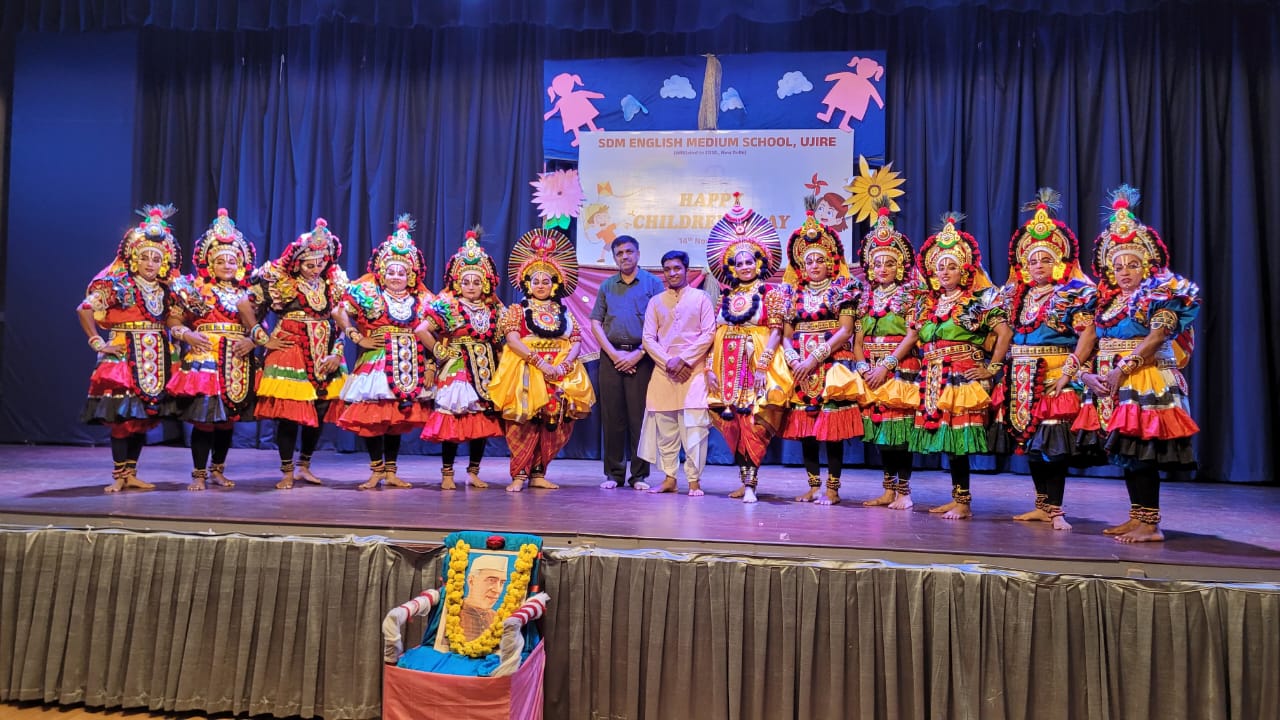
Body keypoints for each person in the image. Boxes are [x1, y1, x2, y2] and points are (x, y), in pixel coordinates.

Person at [1072, 186, 1200, 543]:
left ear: (1146, 265)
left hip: (1146, 378)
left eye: (1132, 264)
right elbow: (1092, 339)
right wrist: (1082, 373)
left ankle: (1151, 524)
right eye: (1118, 266)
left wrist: (1122, 369)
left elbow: (1157, 338)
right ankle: (1137, 516)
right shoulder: (1107, 302)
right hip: (1113, 380)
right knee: (1126, 451)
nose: (1124, 271)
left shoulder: (1160, 295)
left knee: (1142, 451)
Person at [993, 190, 1097, 530]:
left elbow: (1088, 334)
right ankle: (1041, 505)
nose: (1038, 265)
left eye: (1046, 259)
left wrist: (1070, 372)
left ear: (1059, 262)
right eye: (1033, 260)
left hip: (1054, 375)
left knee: (1053, 444)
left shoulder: (1071, 295)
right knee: (1030, 442)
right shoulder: (1015, 295)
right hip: (1020, 376)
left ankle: (1056, 508)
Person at [909, 213, 1012, 519]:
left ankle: (964, 502)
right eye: (940, 266)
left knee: (959, 441)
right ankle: (958, 498)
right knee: (949, 442)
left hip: (961, 375)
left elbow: (1004, 333)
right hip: (934, 376)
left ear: (964, 269)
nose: (945, 271)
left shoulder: (978, 300)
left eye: (952, 266)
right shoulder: (928, 303)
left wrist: (992, 368)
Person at [78, 205, 183, 493]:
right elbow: (84, 309)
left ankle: (132, 473)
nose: (150, 263)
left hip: (157, 357)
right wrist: (97, 341)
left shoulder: (166, 289)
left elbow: (181, 314)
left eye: (156, 258)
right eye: (145, 257)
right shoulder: (118, 286)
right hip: (124, 357)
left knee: (142, 416)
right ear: (134, 258)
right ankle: (119, 474)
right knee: (122, 418)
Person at [167, 209, 267, 490]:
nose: (227, 265)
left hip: (237, 359)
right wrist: (187, 334)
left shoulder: (249, 294)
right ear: (210, 263)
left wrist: (252, 341)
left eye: (232, 260)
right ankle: (199, 474)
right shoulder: (195, 289)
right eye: (221, 260)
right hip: (206, 358)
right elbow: (173, 319)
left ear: (240, 264)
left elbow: (259, 326)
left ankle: (217, 470)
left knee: (227, 420)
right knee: (205, 420)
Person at [489, 228, 596, 492]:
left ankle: (539, 473)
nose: (540, 285)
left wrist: (564, 365)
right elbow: (513, 339)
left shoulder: (564, 312)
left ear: (554, 284)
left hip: (560, 373)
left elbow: (576, 339)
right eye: (535, 281)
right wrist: (541, 363)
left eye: (546, 281)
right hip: (527, 371)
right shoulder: (517, 310)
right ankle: (519, 474)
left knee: (555, 424)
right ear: (527, 283)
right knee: (523, 423)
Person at [703, 194, 791, 503]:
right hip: (726, 366)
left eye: (749, 261)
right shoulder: (725, 297)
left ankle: (752, 484)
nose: (744, 266)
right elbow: (716, 333)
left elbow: (776, 331)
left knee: (755, 423)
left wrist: (764, 364)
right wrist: (708, 368)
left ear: (759, 263)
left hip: (757, 366)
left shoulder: (770, 293)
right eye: (738, 263)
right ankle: (744, 481)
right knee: (733, 424)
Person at [335, 216, 434, 490]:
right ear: (381, 273)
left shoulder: (422, 300)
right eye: (391, 272)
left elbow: (434, 330)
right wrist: (357, 337)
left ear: (410, 276)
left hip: (408, 363)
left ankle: (391, 472)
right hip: (377, 361)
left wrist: (431, 364)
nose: (396, 277)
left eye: (401, 273)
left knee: (396, 419)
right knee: (375, 416)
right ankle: (376, 470)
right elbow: (338, 311)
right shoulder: (368, 293)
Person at [780, 200, 867, 505]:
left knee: (831, 430)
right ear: (801, 266)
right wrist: (793, 358)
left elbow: (845, 330)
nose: (814, 265)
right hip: (800, 365)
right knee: (806, 428)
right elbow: (786, 334)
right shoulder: (792, 293)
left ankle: (833, 488)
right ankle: (813, 485)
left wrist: (813, 357)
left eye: (820, 260)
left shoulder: (843, 289)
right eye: (809, 261)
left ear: (830, 262)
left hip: (831, 362)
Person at [253, 218, 348, 490]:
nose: (316, 269)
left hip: (325, 352)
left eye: (320, 264)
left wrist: (337, 352)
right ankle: (286, 471)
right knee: (289, 413)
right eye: (309, 265)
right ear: (297, 264)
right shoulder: (282, 283)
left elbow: (344, 323)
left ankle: (304, 466)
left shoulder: (332, 285)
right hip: (290, 352)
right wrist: (261, 338)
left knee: (319, 410)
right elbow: (246, 306)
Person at [418, 227, 506, 490]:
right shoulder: (448, 305)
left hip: (486, 368)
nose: (471, 287)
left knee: (481, 421)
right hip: (457, 369)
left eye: (476, 282)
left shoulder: (493, 308)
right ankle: (447, 473)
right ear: (457, 283)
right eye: (466, 282)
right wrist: (440, 352)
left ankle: (473, 472)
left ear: (485, 284)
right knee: (453, 420)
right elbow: (421, 330)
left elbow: (501, 338)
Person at [852, 202, 922, 510]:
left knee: (899, 432)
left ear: (900, 267)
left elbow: (913, 335)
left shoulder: (909, 295)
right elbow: (857, 339)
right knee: (881, 431)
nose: (882, 268)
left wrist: (888, 365)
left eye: (889, 263)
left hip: (899, 366)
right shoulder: (864, 297)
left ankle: (904, 492)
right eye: (877, 263)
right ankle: (888, 490)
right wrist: (862, 365)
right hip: (870, 369)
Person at [636, 250, 716, 496]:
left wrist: (684, 360)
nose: (672, 273)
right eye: (667, 269)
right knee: (666, 430)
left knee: (694, 428)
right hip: (664, 371)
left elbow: (709, 333)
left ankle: (694, 481)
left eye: (677, 268)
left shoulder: (701, 298)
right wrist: (669, 362)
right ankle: (669, 478)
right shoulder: (656, 301)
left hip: (693, 371)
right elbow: (648, 338)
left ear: (686, 270)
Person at [591, 235, 664, 490]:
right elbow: (596, 322)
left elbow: (662, 324)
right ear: (614, 258)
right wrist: (614, 355)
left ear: (638, 254)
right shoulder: (607, 286)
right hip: (611, 357)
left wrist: (639, 353)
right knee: (612, 418)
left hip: (642, 358)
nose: (625, 256)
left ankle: (639, 476)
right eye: (619, 253)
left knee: (639, 418)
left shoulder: (653, 284)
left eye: (629, 252)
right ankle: (613, 474)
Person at [459, 554, 509, 642]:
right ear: (471, 581)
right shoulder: (454, 614)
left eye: (502, 583)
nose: (497, 590)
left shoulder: (497, 618)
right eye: (491, 580)